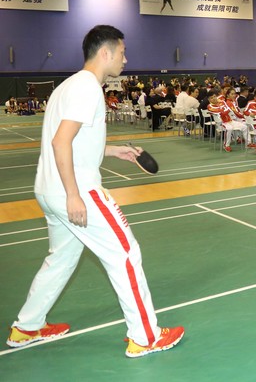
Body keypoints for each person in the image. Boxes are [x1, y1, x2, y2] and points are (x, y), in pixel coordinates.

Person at [6, 25, 184, 357]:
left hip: (47, 189)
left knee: (60, 259)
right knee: (126, 254)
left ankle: (26, 327)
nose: (125, 59)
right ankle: (145, 337)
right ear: (106, 53)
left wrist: (111, 150)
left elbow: (72, 141)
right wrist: (74, 194)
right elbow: (61, 142)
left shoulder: (67, 87)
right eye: (122, 52)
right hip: (76, 191)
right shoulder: (88, 88)